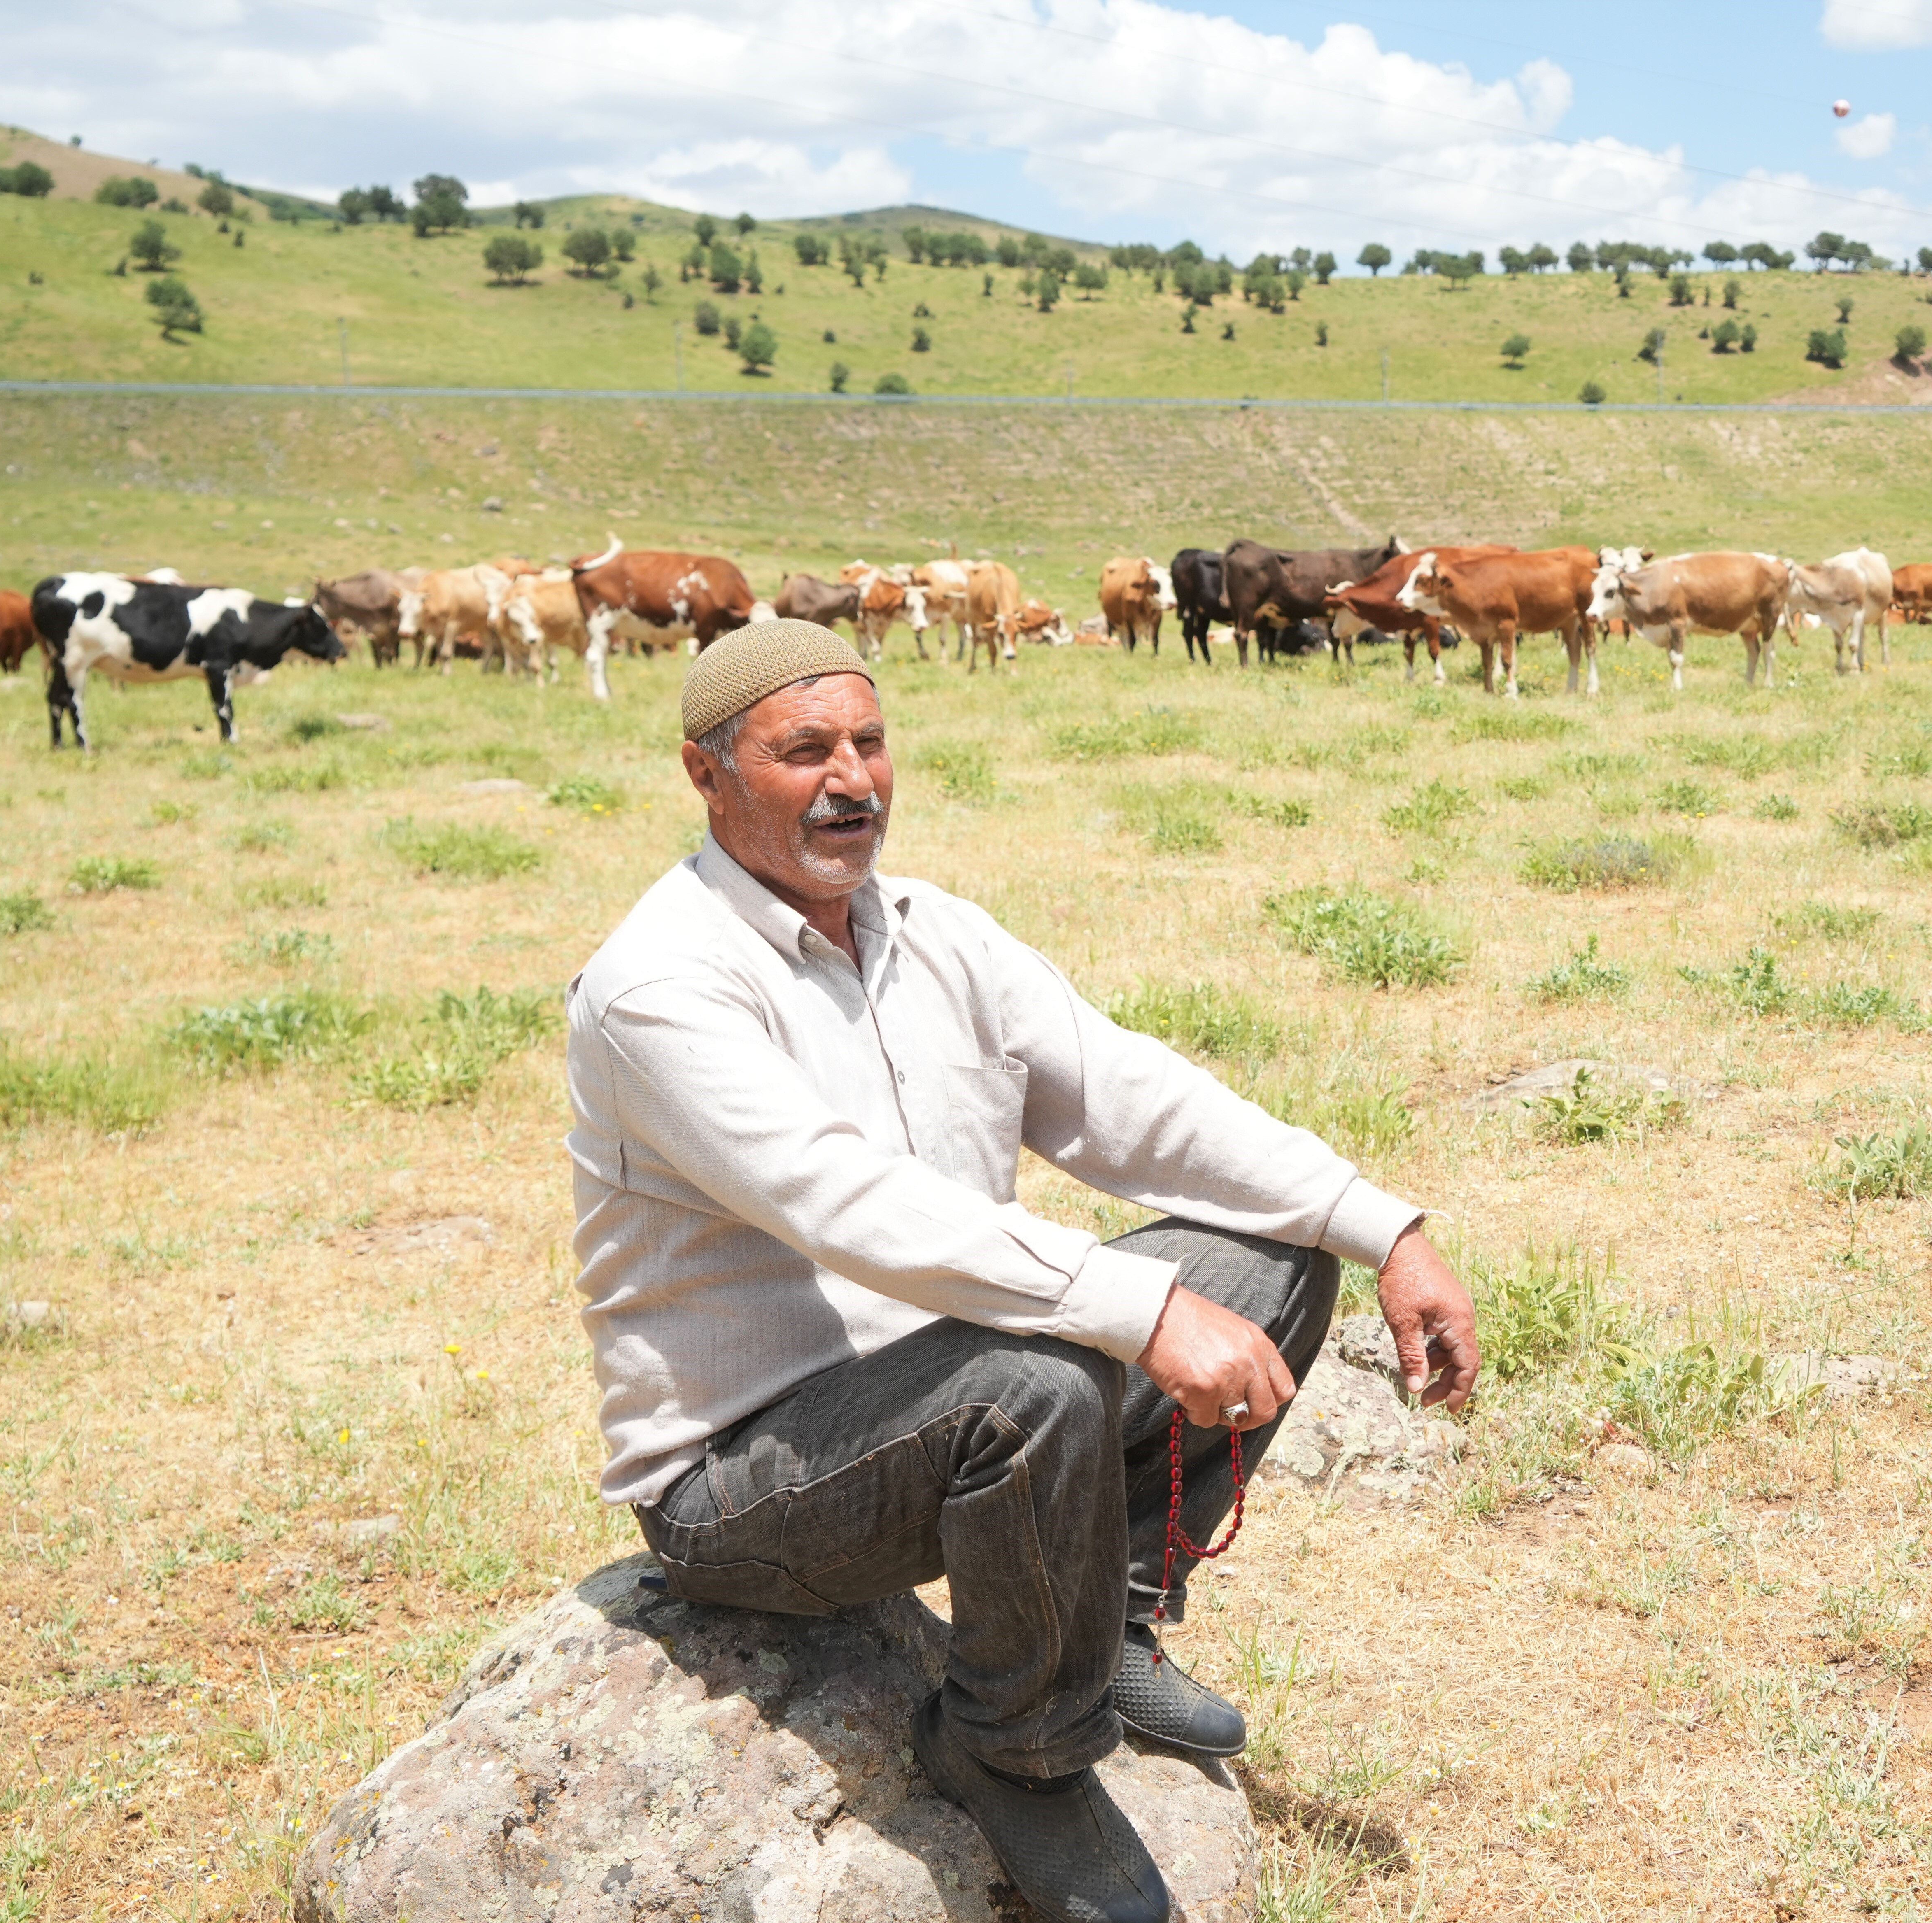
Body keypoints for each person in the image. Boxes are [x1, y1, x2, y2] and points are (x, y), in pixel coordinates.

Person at [564, 621, 1479, 1923]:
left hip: (944, 1389)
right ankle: (1015, 1750)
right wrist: (1142, 1308)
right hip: (746, 1479)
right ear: (707, 778)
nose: (853, 781)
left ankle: (1109, 1624)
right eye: (803, 750)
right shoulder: (658, 986)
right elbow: (846, 1204)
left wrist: (1381, 1226)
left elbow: (1130, 1098)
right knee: (1034, 1379)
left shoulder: (934, 934)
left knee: (1272, 1255)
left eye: (870, 743)